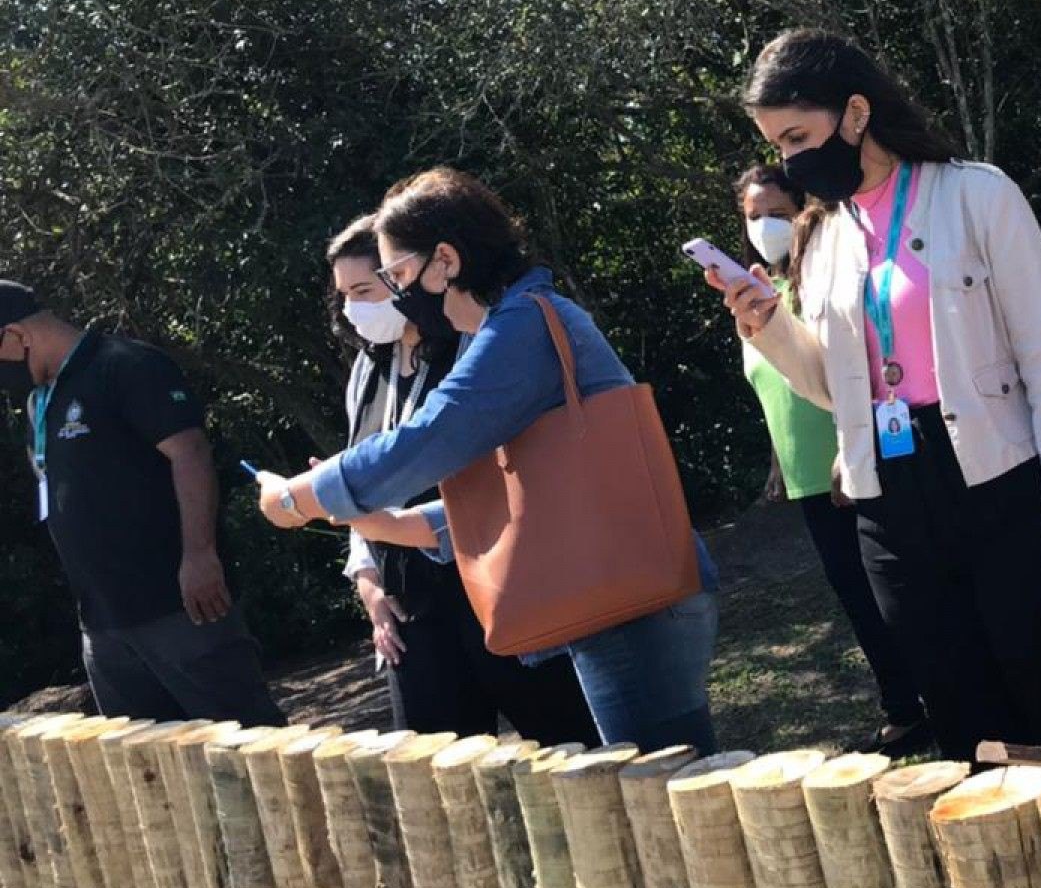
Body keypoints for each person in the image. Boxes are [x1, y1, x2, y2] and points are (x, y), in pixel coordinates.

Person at [712, 29, 1041, 763]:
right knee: (973, 739)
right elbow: (838, 390)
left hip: (1002, 488)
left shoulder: (978, 194)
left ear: (854, 113)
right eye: (775, 145)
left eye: (796, 136)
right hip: (889, 507)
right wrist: (770, 328)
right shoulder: (824, 237)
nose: (789, 162)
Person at [255, 169, 720, 754]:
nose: (399, 295)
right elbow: (503, 488)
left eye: (399, 275)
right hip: (620, 592)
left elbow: (430, 439)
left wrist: (301, 495)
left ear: (445, 260)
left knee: (667, 798)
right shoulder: (504, 325)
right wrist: (406, 526)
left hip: (633, 608)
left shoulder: (522, 325)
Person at [327, 217, 599, 744]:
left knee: (570, 749)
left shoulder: (469, 347)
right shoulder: (366, 369)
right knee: (437, 774)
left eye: (363, 290)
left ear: (398, 278)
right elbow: (361, 469)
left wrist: (317, 495)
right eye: (342, 296)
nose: (351, 309)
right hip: (410, 608)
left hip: (494, 579)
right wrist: (368, 582)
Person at [0, 281, 283, 726]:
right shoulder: (43, 400)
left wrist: (200, 555)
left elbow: (190, 453)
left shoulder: (125, 366)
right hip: (103, 623)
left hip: (180, 606)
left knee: (244, 745)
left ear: (17, 335)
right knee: (147, 771)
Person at [735, 165, 929, 754]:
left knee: (893, 589)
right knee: (854, 595)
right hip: (804, 477)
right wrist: (777, 460)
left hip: (855, 462)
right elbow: (774, 382)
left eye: (776, 211)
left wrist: (850, 447)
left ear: (802, 208)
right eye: (752, 216)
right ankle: (902, 704)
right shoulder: (753, 292)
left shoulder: (820, 277)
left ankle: (925, 702)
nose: (765, 225)